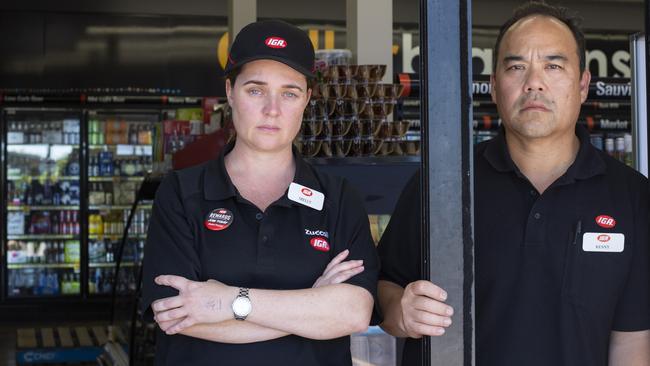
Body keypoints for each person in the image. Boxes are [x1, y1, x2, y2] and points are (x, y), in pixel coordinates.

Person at [378, 2, 650, 365]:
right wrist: (400, 313)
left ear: (583, 84)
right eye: (516, 66)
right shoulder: (443, 184)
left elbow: (631, 343)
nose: (534, 82)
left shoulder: (630, 196)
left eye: (553, 66)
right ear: (493, 86)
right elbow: (385, 286)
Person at [141, 20, 379, 366]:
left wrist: (227, 302)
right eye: (255, 90)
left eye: (290, 93)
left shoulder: (339, 198)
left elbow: (353, 313)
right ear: (229, 91)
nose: (272, 109)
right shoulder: (181, 193)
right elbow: (174, 316)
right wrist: (312, 304)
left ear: (307, 100)